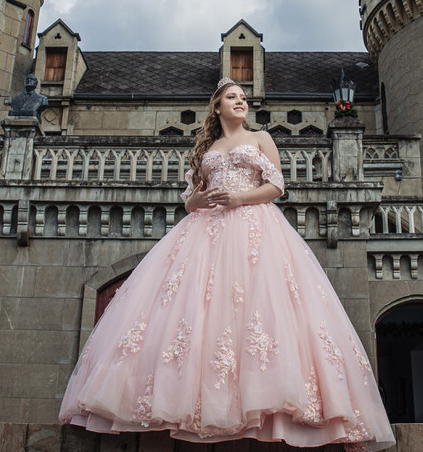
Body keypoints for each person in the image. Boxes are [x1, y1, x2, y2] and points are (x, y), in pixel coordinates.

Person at [59, 78, 394, 449]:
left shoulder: (261, 138)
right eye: (232, 97)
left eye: (243, 98)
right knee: (197, 309)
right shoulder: (208, 148)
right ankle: (190, 401)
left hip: (253, 225)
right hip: (205, 231)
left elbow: (277, 186)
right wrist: (199, 203)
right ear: (216, 107)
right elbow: (189, 200)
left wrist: (238, 198)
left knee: (258, 306)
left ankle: (268, 400)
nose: (240, 102)